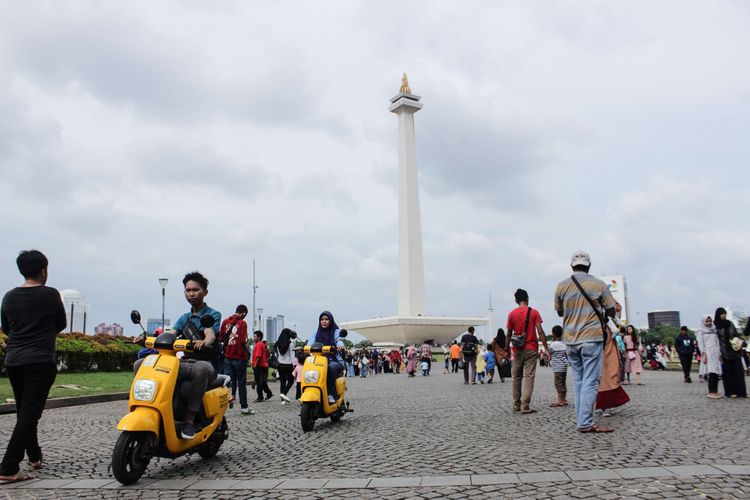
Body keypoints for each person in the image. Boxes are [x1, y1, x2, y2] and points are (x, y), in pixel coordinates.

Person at [0, 250, 66, 483]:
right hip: (40, 360)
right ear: (43, 270)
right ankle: (8, 468)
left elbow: (6, 327)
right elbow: (61, 323)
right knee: (29, 412)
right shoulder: (50, 295)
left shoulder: (8, 296)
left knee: (25, 411)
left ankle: (35, 456)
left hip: (14, 360)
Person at [554, 251, 616, 433]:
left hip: (571, 339)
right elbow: (611, 310)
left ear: (572, 266)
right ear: (589, 265)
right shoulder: (599, 284)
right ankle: (585, 422)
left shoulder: (561, 286)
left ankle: (582, 420)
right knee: (590, 381)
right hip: (591, 337)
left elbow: (559, 312)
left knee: (579, 381)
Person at [168, 271, 222, 439]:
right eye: (188, 290)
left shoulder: (212, 315)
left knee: (201, 368)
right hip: (185, 363)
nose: (191, 293)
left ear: (204, 292)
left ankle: (190, 419)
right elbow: (171, 332)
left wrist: (204, 342)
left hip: (207, 364)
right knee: (142, 363)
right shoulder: (184, 318)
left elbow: (210, 333)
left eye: (195, 290)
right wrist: (149, 338)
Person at [505, 289, 549, 413]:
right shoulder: (534, 312)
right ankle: (525, 405)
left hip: (517, 349)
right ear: (527, 298)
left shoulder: (511, 314)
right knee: (529, 376)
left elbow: (508, 333)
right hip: (531, 348)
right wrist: (546, 348)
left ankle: (516, 404)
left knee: (516, 377)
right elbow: (540, 331)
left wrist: (507, 349)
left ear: (516, 301)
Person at [219, 304, 253, 415]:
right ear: (243, 313)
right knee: (241, 383)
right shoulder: (242, 323)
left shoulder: (225, 322)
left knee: (228, 381)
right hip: (239, 357)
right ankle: (244, 407)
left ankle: (228, 399)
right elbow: (243, 341)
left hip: (227, 357)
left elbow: (220, 338)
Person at [310, 311, 345, 404]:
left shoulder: (335, 331)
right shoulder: (315, 333)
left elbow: (339, 339)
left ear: (331, 320)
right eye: (322, 319)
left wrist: (340, 344)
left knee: (330, 368)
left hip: (334, 360)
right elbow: (309, 344)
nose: (324, 321)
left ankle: (329, 394)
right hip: (318, 361)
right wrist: (303, 349)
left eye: (326, 319)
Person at [715, 307, 747, 398]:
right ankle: (730, 392)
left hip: (734, 350)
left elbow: (736, 335)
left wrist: (742, 342)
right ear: (718, 315)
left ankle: (741, 392)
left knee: (738, 372)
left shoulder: (730, 324)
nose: (724, 315)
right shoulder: (716, 326)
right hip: (724, 352)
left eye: (725, 313)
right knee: (728, 374)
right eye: (722, 314)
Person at [696, 316, 722, 399]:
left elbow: (717, 342)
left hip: (716, 352)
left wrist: (719, 353)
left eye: (710, 321)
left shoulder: (714, 330)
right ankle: (711, 391)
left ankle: (716, 391)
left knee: (716, 372)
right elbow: (700, 344)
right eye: (707, 321)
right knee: (711, 372)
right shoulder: (700, 331)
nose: (709, 323)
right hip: (707, 352)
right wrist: (704, 354)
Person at [548, 325, 569, 407]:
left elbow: (549, 353)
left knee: (558, 384)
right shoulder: (564, 343)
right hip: (564, 366)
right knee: (563, 382)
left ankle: (560, 401)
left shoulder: (553, 344)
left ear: (553, 334)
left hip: (557, 367)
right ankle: (564, 399)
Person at [275, 328, 297, 405]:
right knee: (291, 380)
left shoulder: (277, 343)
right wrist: (294, 365)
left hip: (280, 365)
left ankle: (282, 400)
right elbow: (292, 355)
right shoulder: (290, 344)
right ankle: (283, 394)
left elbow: (276, 354)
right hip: (288, 365)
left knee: (283, 381)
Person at [251, 330, 273, 402]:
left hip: (259, 366)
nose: (253, 338)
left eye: (255, 336)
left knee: (259, 382)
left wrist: (255, 365)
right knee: (263, 381)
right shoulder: (262, 344)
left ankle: (260, 397)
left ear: (259, 337)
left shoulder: (258, 345)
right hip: (264, 365)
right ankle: (269, 393)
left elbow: (258, 356)